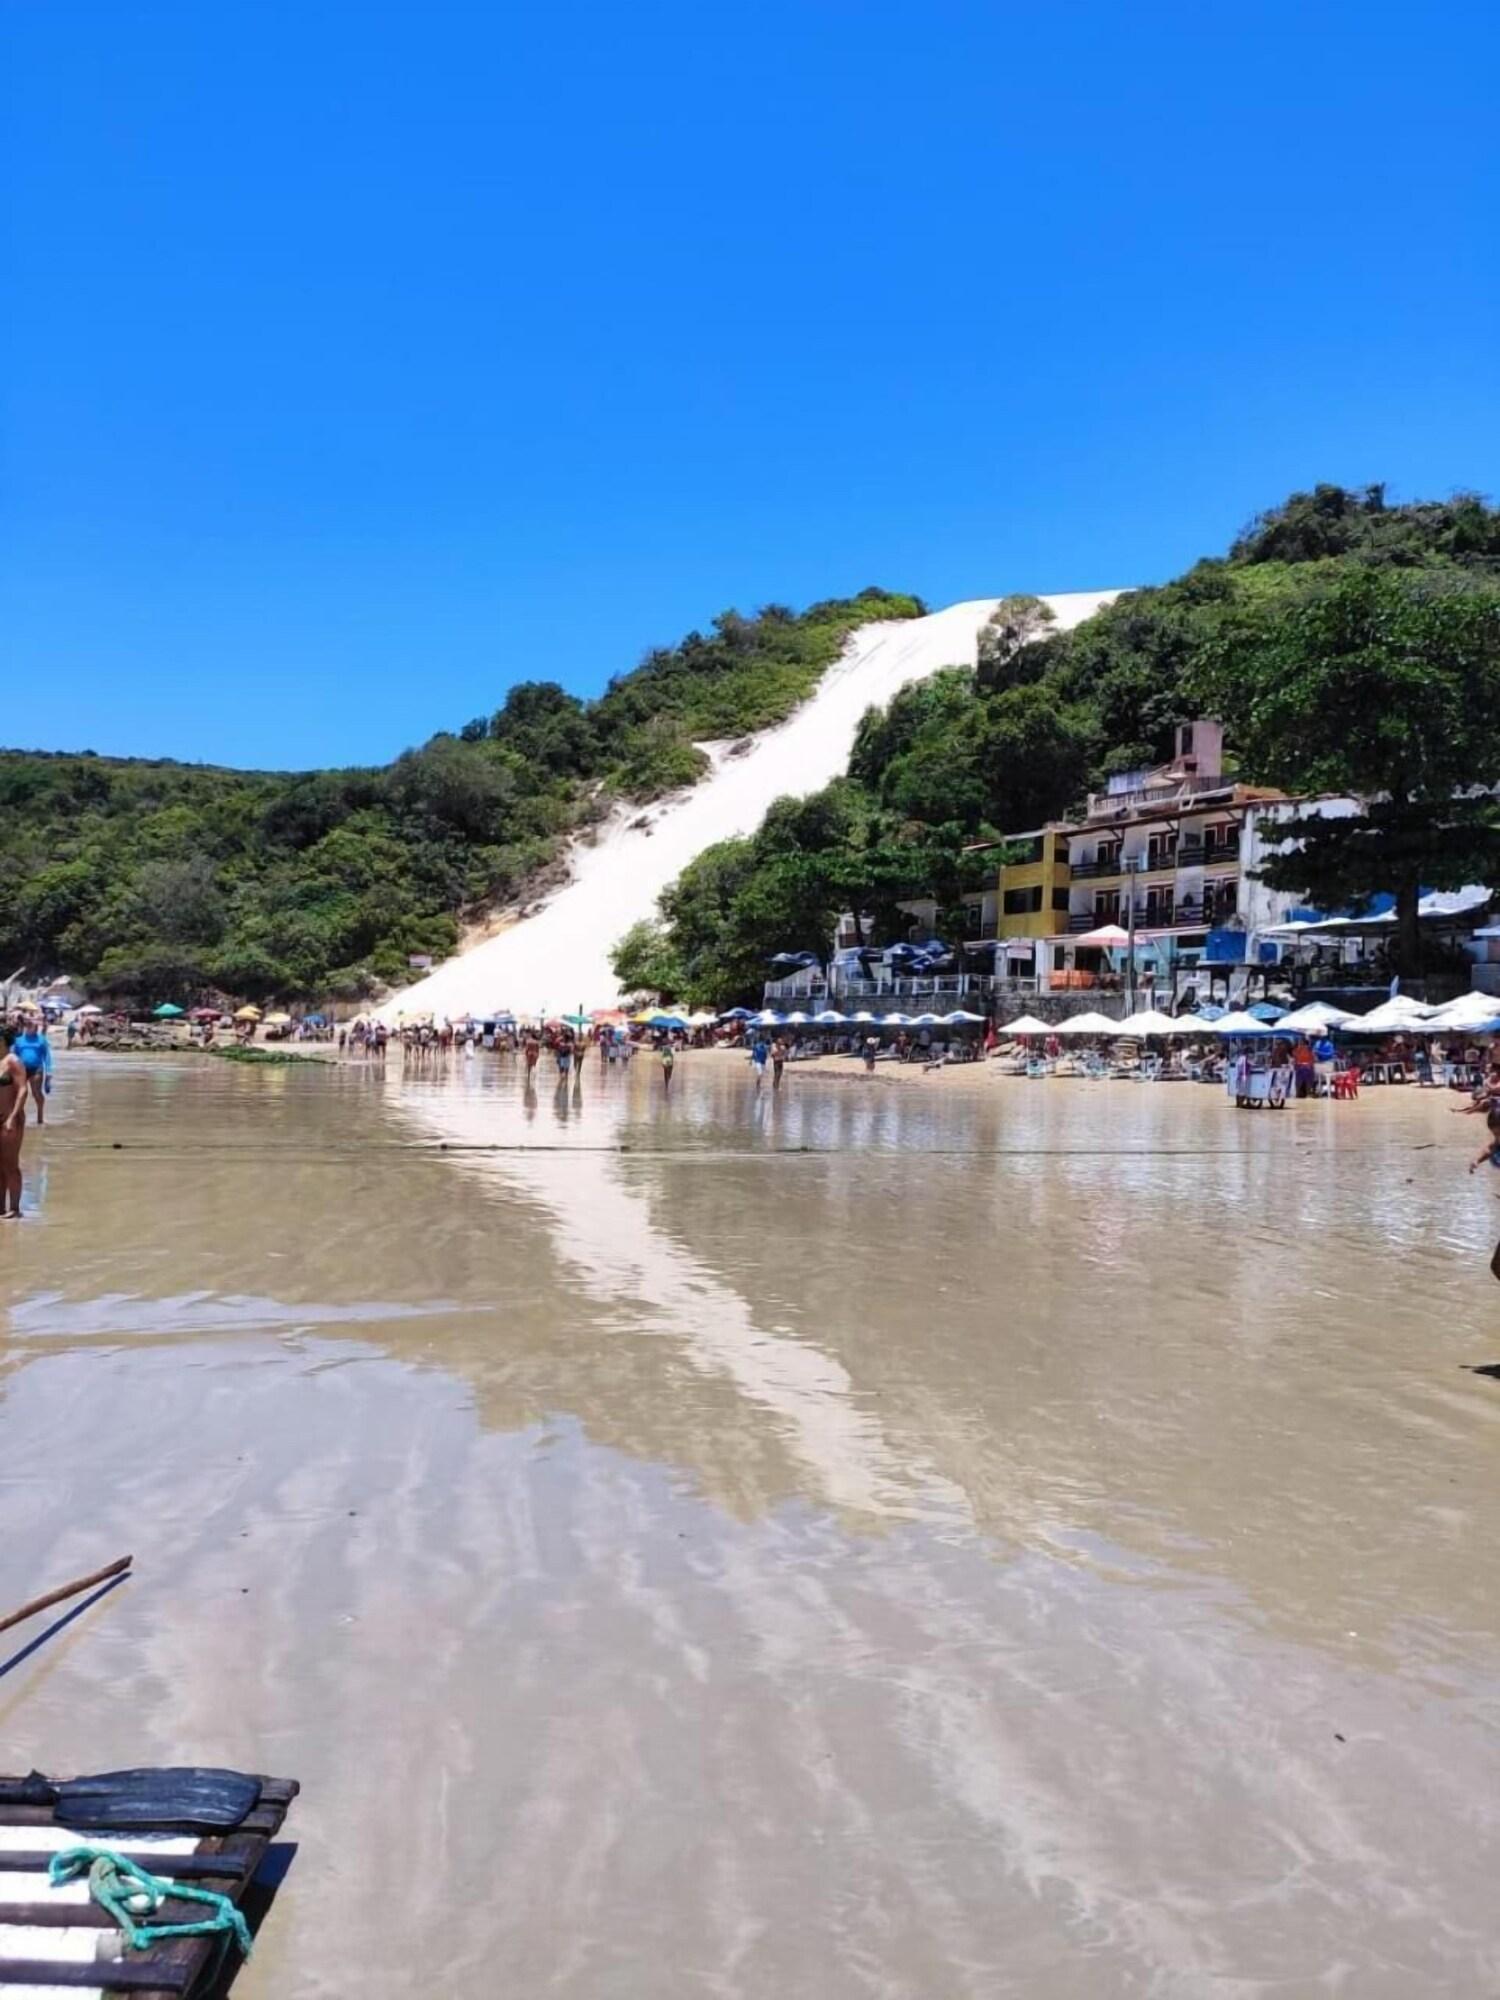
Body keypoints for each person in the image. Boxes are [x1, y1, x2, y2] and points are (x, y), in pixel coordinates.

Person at [0, 1026, 26, 1217]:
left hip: (9, 1118)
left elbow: (23, 1090)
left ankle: (15, 1208)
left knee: (10, 1164)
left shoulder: (13, 1061)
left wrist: (12, 1117)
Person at [12, 1018, 52, 1126]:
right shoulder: (18, 1040)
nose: (34, 1029)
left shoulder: (41, 1040)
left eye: (35, 1027)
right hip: (22, 1069)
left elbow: (47, 1056)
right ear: (26, 1027)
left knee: (36, 1093)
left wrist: (48, 1072)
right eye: (31, 1026)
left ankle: (40, 1116)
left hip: (37, 1069)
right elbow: (12, 1055)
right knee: (21, 1093)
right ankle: (19, 1117)